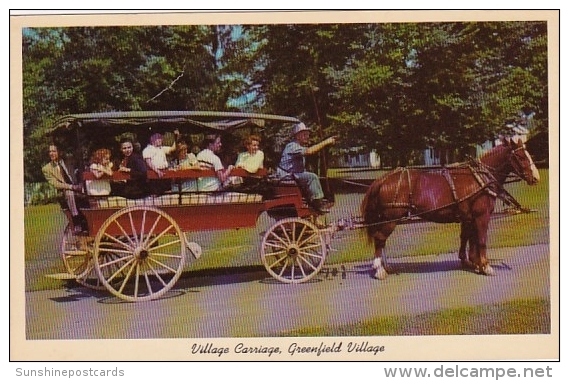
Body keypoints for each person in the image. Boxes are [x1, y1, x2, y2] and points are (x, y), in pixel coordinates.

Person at [277, 123, 336, 213]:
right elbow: (309, 151)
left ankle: (316, 206)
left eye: (307, 134)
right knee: (312, 177)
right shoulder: (292, 146)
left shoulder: (297, 146)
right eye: (304, 134)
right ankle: (318, 205)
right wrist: (326, 142)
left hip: (292, 175)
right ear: (297, 136)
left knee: (320, 179)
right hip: (287, 176)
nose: (307, 136)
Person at [42, 144, 87, 233]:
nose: (51, 153)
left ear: (59, 152)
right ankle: (76, 220)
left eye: (54, 151)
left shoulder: (68, 161)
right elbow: (56, 184)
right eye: (50, 152)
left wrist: (79, 185)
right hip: (64, 191)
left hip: (77, 186)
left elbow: (78, 172)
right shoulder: (46, 168)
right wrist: (71, 187)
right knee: (69, 193)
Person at [142, 130, 180, 194]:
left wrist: (176, 137)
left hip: (164, 172)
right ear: (152, 140)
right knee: (156, 194)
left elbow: (173, 149)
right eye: (157, 138)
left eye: (160, 138)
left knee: (167, 192)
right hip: (154, 174)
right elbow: (148, 162)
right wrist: (157, 171)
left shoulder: (162, 148)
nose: (160, 140)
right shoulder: (148, 149)